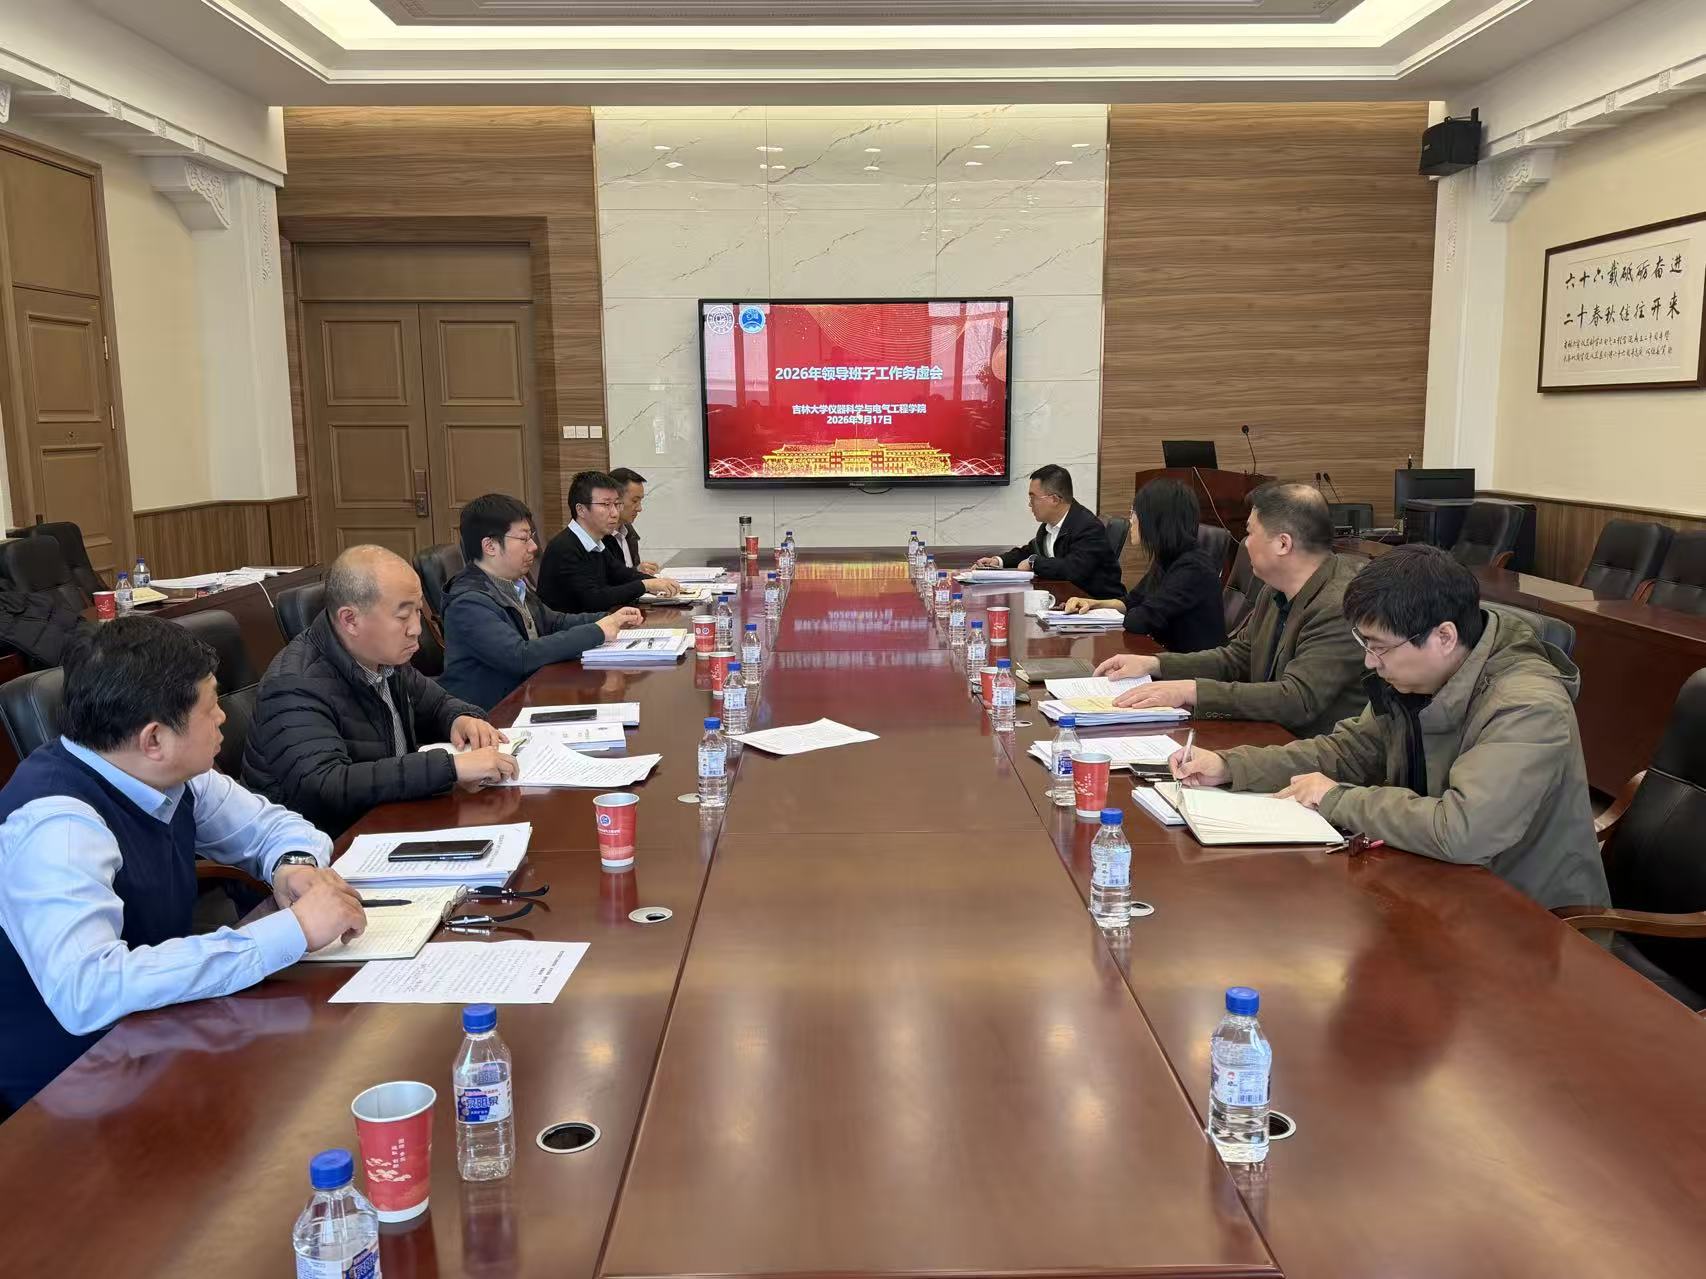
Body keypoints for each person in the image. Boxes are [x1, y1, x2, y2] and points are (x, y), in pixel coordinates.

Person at [0, 616, 367, 1109]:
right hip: (69, 1089)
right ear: (154, 739)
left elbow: (271, 827)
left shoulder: (163, 770)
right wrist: (291, 931)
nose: (224, 718)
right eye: (211, 708)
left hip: (160, 1030)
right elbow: (88, 991)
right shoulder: (59, 827)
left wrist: (294, 866)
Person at [1169, 545, 1609, 911]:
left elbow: (1464, 830)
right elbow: (1346, 753)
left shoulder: (1527, 704)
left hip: (1528, 918)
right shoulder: (1415, 675)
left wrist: (1337, 798)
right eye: (1364, 643)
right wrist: (1230, 766)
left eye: (1378, 646)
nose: (1369, 661)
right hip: (1434, 883)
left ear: (1444, 637)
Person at [243, 545, 516, 839]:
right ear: (350, 620)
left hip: (390, 818)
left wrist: (460, 719)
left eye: (418, 610)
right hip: (327, 845)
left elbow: (436, 704)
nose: (416, 629)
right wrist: (450, 768)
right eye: (403, 616)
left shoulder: (383, 658)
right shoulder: (295, 685)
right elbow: (327, 784)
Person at [1095, 481, 1364, 737]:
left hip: (1313, 752)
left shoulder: (1339, 605)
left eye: (1250, 532)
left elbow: (1296, 699)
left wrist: (1191, 691)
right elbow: (1237, 658)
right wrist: (1154, 664)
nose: (1245, 543)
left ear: (1283, 544)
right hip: (1268, 734)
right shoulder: (1274, 589)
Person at [441, 492, 644, 710]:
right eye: (524, 539)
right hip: (492, 714)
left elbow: (554, 622)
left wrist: (609, 618)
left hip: (528, 695)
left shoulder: (512, 584)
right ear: (490, 546)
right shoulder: (468, 603)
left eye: (532, 537)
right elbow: (520, 656)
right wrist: (598, 631)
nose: (533, 547)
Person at [1060, 477, 1226, 651]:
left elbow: (1139, 620)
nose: (1131, 520)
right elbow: (1132, 601)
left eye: (1134, 512)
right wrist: (1094, 604)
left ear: (1156, 518)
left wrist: (1131, 612)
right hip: (1165, 655)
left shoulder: (1193, 568)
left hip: (1191, 664)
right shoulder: (1167, 556)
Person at [972, 464, 1124, 600]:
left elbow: (1073, 570)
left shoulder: (1087, 526)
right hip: (1066, 599)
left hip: (1097, 606)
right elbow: (1031, 550)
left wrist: (1034, 562)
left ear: (1055, 499)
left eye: (1033, 498)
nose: (1030, 504)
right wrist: (998, 561)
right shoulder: (1049, 525)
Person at [539, 470, 682, 613]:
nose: (614, 513)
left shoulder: (595, 543)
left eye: (616, 504)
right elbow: (594, 599)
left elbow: (623, 575)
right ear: (581, 510)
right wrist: (646, 585)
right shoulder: (564, 548)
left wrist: (659, 582)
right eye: (606, 504)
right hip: (575, 626)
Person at [607, 466, 661, 576]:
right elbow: (605, 581)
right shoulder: (598, 537)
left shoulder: (629, 533)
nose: (639, 508)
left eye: (640, 501)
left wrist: (641, 572)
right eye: (635, 501)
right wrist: (636, 572)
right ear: (615, 499)